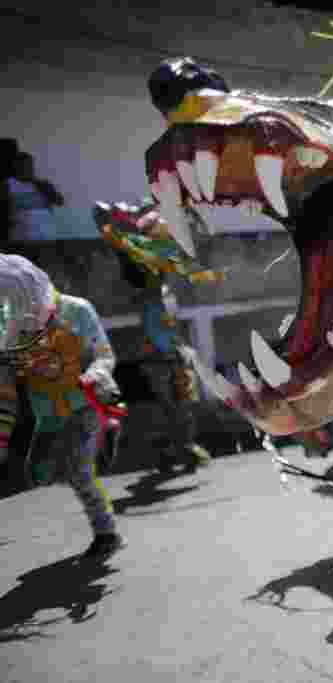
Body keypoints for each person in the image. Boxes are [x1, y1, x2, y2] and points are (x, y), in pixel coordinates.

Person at [0, 254, 124, 557]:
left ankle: (106, 531)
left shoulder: (78, 310)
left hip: (85, 404)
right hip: (48, 414)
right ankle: (95, 443)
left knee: (78, 470)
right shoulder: (5, 327)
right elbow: (4, 388)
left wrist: (95, 374)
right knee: (37, 476)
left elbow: (105, 355)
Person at [100, 201, 212, 474]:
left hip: (166, 354)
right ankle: (177, 449)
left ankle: (178, 449)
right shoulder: (149, 291)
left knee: (179, 405)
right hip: (163, 357)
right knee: (178, 405)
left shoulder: (158, 290)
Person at [6, 152, 64, 242]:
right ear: (16, 167)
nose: (27, 169)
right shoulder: (7, 185)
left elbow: (60, 202)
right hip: (21, 235)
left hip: (45, 234)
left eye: (29, 165)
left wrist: (43, 187)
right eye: (23, 166)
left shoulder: (43, 184)